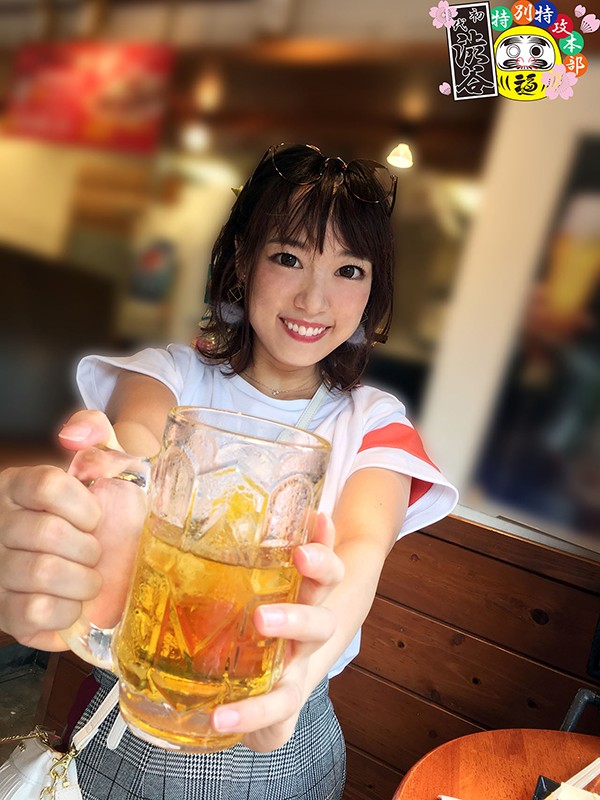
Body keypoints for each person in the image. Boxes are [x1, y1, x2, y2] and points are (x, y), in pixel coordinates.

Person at [0, 143, 458, 800]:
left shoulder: (373, 420)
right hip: (126, 722)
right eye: (288, 257)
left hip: (282, 737)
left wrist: (294, 677)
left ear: (372, 291)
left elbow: (360, 552)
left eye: (348, 270)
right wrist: (109, 494)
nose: (314, 298)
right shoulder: (169, 374)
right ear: (243, 260)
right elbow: (137, 453)